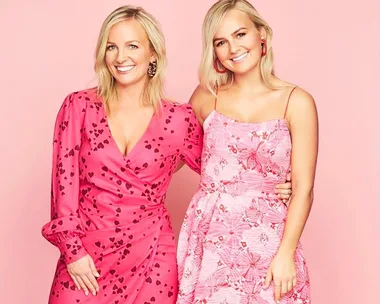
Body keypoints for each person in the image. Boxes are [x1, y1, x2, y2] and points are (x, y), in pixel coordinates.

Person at [41, 4, 292, 304]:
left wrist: (269, 183)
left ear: (152, 55)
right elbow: (63, 186)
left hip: (151, 262)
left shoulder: (178, 118)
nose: (121, 57)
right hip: (85, 260)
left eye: (132, 46)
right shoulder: (78, 107)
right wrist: (73, 252)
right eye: (111, 47)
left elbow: (222, 167)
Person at [177, 1, 318, 303]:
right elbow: (169, 157)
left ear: (262, 35)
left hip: (269, 239)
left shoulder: (297, 101)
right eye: (220, 42)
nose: (232, 48)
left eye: (240, 34)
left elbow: (304, 189)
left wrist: (286, 253)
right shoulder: (206, 96)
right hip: (210, 238)